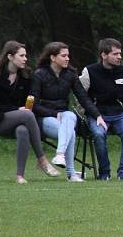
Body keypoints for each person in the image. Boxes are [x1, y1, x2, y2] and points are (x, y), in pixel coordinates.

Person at [0, 41, 60, 184]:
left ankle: (20, 176)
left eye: (26, 55)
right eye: (22, 55)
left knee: (23, 130)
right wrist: (17, 110)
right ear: (10, 57)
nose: (25, 59)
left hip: (20, 119)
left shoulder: (25, 76)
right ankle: (42, 159)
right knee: (27, 114)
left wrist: (27, 105)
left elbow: (29, 102)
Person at [32, 42, 103, 182]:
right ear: (52, 57)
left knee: (70, 116)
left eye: (68, 55)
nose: (67, 58)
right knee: (69, 130)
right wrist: (54, 114)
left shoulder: (70, 75)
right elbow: (33, 104)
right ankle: (71, 174)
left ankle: (60, 155)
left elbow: (84, 98)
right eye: (63, 56)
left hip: (64, 117)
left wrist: (97, 115)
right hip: (44, 117)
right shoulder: (39, 74)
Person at [79, 38, 123, 181]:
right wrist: (88, 112)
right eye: (115, 54)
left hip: (120, 114)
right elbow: (80, 95)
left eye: (120, 54)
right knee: (99, 135)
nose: (119, 57)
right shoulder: (89, 71)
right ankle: (104, 172)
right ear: (103, 55)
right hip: (97, 114)